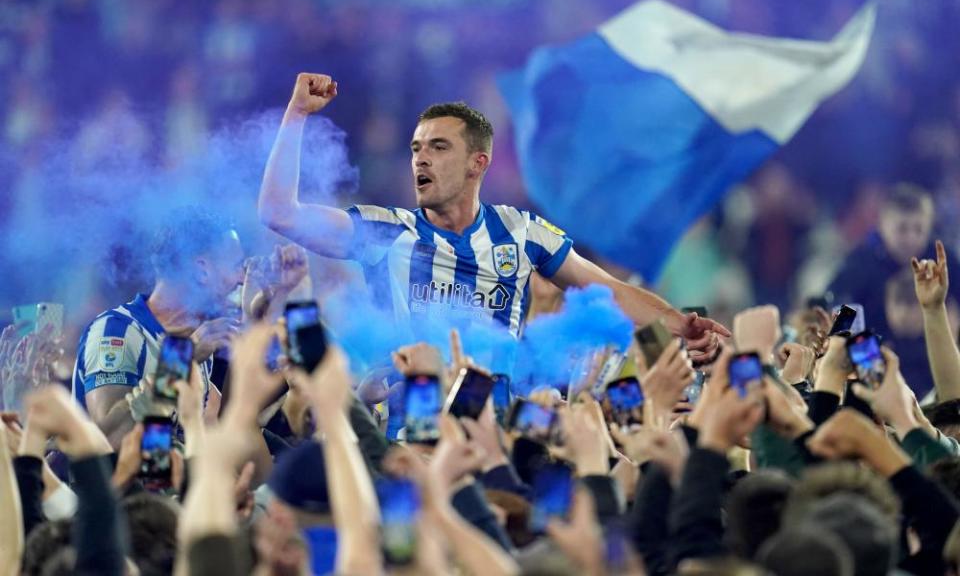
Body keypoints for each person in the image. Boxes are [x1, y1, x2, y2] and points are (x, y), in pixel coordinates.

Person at [258, 73, 727, 348]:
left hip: (497, 443)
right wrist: (297, 115)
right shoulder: (388, 232)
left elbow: (607, 290)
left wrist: (680, 324)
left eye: (439, 147)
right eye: (417, 147)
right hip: (413, 444)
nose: (421, 158)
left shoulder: (521, 232)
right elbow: (280, 213)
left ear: (477, 163)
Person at [71, 206, 306, 447]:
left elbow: (226, 430)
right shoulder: (116, 332)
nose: (241, 279)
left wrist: (261, 315)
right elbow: (109, 440)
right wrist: (182, 361)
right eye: (236, 266)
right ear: (202, 270)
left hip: (170, 481)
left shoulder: (198, 338)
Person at [828, 183, 959, 338]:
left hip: (935, 354)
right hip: (877, 354)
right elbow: (840, 317)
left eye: (919, 229)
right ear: (882, 226)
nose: (911, 238)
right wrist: (868, 359)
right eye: (902, 228)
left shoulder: (942, 260)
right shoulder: (861, 264)